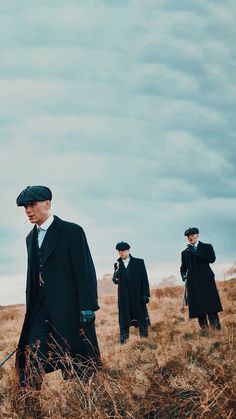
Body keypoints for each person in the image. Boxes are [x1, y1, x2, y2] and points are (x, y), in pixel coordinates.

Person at [15, 185, 101, 389]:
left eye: (32, 204)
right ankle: (29, 402)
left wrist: (87, 305)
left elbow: (85, 269)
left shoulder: (72, 231)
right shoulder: (30, 238)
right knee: (32, 358)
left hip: (69, 307)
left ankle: (83, 398)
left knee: (76, 359)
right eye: (25, 206)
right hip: (39, 310)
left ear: (47, 203)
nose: (28, 210)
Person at [180, 227, 223, 331]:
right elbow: (183, 267)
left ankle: (217, 332)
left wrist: (196, 251)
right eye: (188, 236)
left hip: (206, 281)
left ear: (197, 235)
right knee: (199, 310)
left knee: (211, 308)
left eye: (192, 235)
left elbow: (212, 259)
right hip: (193, 284)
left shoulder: (207, 247)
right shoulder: (185, 252)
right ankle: (205, 333)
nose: (190, 237)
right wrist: (183, 275)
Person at [112, 241, 150, 344]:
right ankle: (124, 342)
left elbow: (145, 279)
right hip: (124, 297)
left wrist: (146, 295)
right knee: (124, 319)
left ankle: (145, 341)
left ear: (128, 250)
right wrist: (116, 273)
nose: (121, 253)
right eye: (119, 251)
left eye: (123, 250)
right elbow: (115, 281)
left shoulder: (139, 262)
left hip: (138, 296)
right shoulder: (117, 264)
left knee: (141, 318)